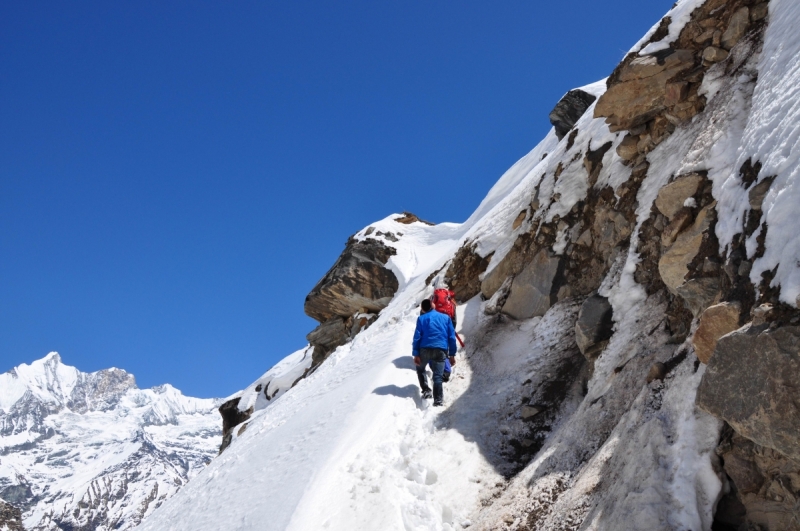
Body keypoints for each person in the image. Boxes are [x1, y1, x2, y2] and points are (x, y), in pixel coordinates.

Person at [412, 299, 457, 406]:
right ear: (433, 306)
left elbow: (417, 338)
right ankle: (438, 400)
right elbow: (451, 337)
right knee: (437, 376)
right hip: (440, 350)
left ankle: (426, 391)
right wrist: (452, 354)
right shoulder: (446, 318)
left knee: (421, 369)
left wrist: (416, 354)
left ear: (423, 309)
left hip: (424, 349)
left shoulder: (421, 319)